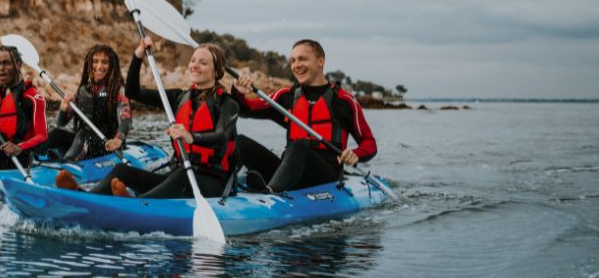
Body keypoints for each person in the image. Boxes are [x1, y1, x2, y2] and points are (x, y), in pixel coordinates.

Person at [56, 37, 238, 199]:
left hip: (212, 181)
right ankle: (86, 197)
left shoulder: (227, 104)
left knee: (180, 177)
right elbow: (132, 91)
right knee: (121, 171)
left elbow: (222, 137)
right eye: (193, 60)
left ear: (217, 71)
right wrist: (138, 55)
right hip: (181, 173)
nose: (195, 65)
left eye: (203, 63)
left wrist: (191, 137)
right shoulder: (179, 98)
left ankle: (133, 204)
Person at [232, 39, 377, 193]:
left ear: (320, 61)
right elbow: (246, 109)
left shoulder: (344, 101)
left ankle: (270, 192)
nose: (296, 65)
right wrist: (238, 92)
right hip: (289, 171)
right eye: (293, 61)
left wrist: (355, 154)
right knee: (241, 143)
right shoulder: (286, 97)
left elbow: (369, 142)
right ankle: (222, 190)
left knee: (301, 145)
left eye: (302, 59)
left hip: (326, 176)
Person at [42, 44, 132, 162]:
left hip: (107, 144)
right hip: (82, 142)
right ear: (89, 64)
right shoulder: (83, 90)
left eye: (104, 62)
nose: (99, 66)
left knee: (83, 134)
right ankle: (29, 158)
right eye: (95, 61)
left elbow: (126, 120)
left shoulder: (117, 90)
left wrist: (118, 139)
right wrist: (63, 109)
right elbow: (61, 123)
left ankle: (68, 163)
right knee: (54, 132)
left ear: (111, 66)